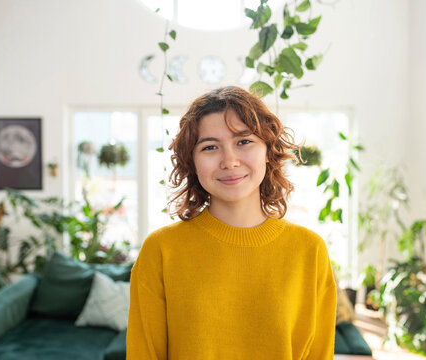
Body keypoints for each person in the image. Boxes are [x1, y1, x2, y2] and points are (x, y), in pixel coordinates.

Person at [126, 86, 336, 359]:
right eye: (210, 147)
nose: (229, 161)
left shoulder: (309, 250)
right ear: (193, 162)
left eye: (244, 141)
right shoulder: (161, 250)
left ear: (268, 151)